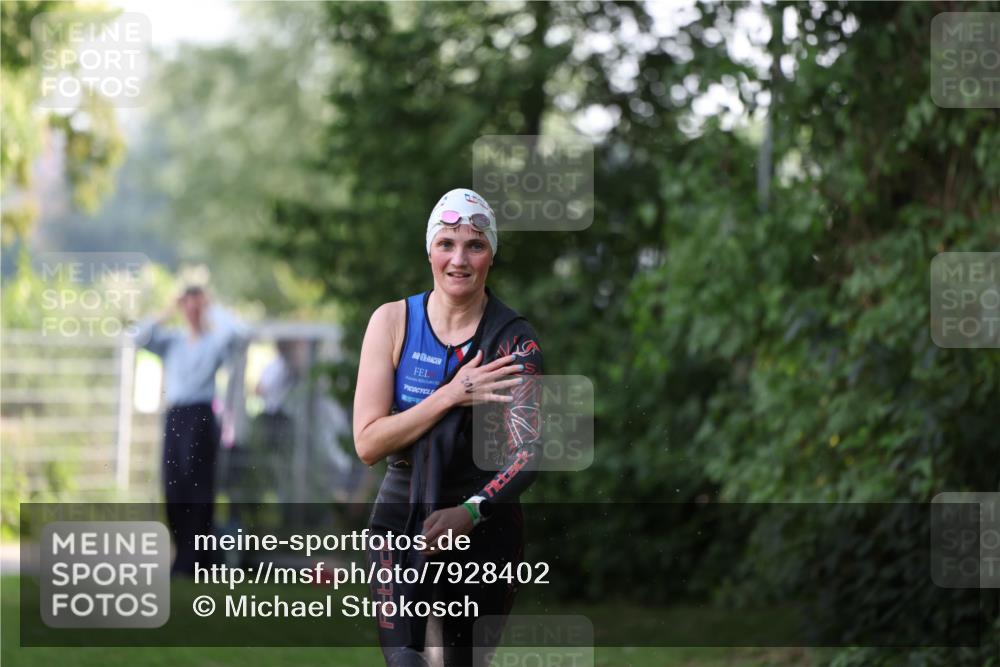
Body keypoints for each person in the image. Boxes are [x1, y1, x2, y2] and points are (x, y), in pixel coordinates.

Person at [353, 188, 544, 666]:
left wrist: (471, 512)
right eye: (446, 244)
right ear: (429, 251)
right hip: (402, 517)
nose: (459, 259)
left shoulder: (513, 341)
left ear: (491, 255)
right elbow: (368, 442)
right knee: (405, 661)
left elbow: (529, 453)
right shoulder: (392, 322)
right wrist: (450, 395)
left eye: (474, 245)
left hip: (484, 525)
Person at [133, 285, 247, 576]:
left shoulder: (214, 342)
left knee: (199, 488)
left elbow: (238, 334)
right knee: (174, 487)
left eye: (198, 305)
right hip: (175, 416)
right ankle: (183, 554)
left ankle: (196, 559)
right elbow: (138, 337)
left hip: (200, 416)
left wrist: (211, 308)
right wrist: (169, 309)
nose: (193, 311)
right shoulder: (172, 341)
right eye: (189, 305)